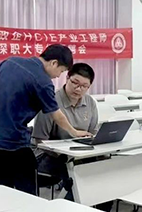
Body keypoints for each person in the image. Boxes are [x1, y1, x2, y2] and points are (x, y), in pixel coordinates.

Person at [0, 45, 91, 195]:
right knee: (27, 189)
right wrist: (74, 132)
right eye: (61, 71)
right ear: (54, 63)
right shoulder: (43, 82)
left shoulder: (9, 61)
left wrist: (10, 97)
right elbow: (56, 115)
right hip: (11, 139)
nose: (57, 76)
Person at [32, 63, 99, 201]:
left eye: (84, 86)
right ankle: (70, 208)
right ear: (67, 78)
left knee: (102, 170)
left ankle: (98, 208)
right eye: (75, 83)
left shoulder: (90, 102)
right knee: (79, 177)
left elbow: (92, 133)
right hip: (49, 155)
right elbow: (39, 140)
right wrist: (64, 154)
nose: (78, 89)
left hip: (80, 154)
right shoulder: (51, 101)